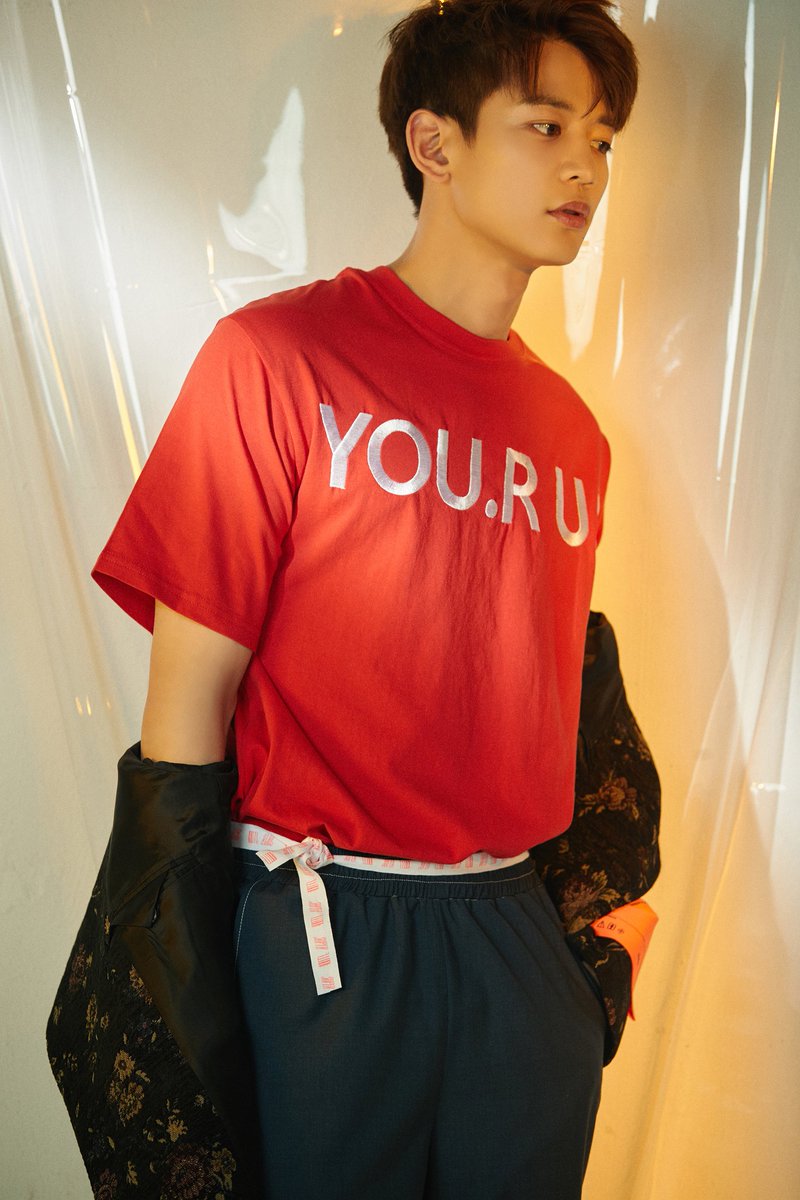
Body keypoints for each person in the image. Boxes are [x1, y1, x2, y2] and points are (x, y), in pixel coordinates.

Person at [50, 3, 658, 1198]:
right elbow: (183, 719)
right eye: (545, 126)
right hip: (321, 928)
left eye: (600, 138)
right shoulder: (276, 361)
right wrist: (193, 976)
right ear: (434, 144)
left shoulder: (571, 437)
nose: (584, 167)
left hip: (512, 935)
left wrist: (578, 963)